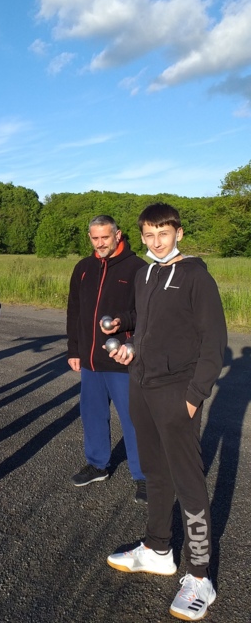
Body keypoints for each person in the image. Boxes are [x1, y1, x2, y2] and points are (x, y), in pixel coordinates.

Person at [104, 203, 227, 621]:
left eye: (164, 233)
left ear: (178, 233)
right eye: (149, 234)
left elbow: (214, 344)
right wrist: (128, 346)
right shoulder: (145, 274)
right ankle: (158, 549)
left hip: (177, 392)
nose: (157, 242)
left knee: (188, 481)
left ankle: (200, 576)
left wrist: (193, 396)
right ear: (140, 236)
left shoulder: (196, 277)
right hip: (141, 385)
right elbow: (147, 325)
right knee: (155, 472)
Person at [67, 215, 147, 503]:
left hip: (122, 359)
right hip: (90, 359)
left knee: (134, 419)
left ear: (118, 235)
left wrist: (122, 322)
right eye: (95, 238)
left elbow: (146, 313)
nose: (100, 243)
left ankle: (145, 476)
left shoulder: (138, 268)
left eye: (105, 237)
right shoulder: (83, 268)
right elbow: (74, 311)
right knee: (92, 414)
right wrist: (74, 350)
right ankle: (97, 464)